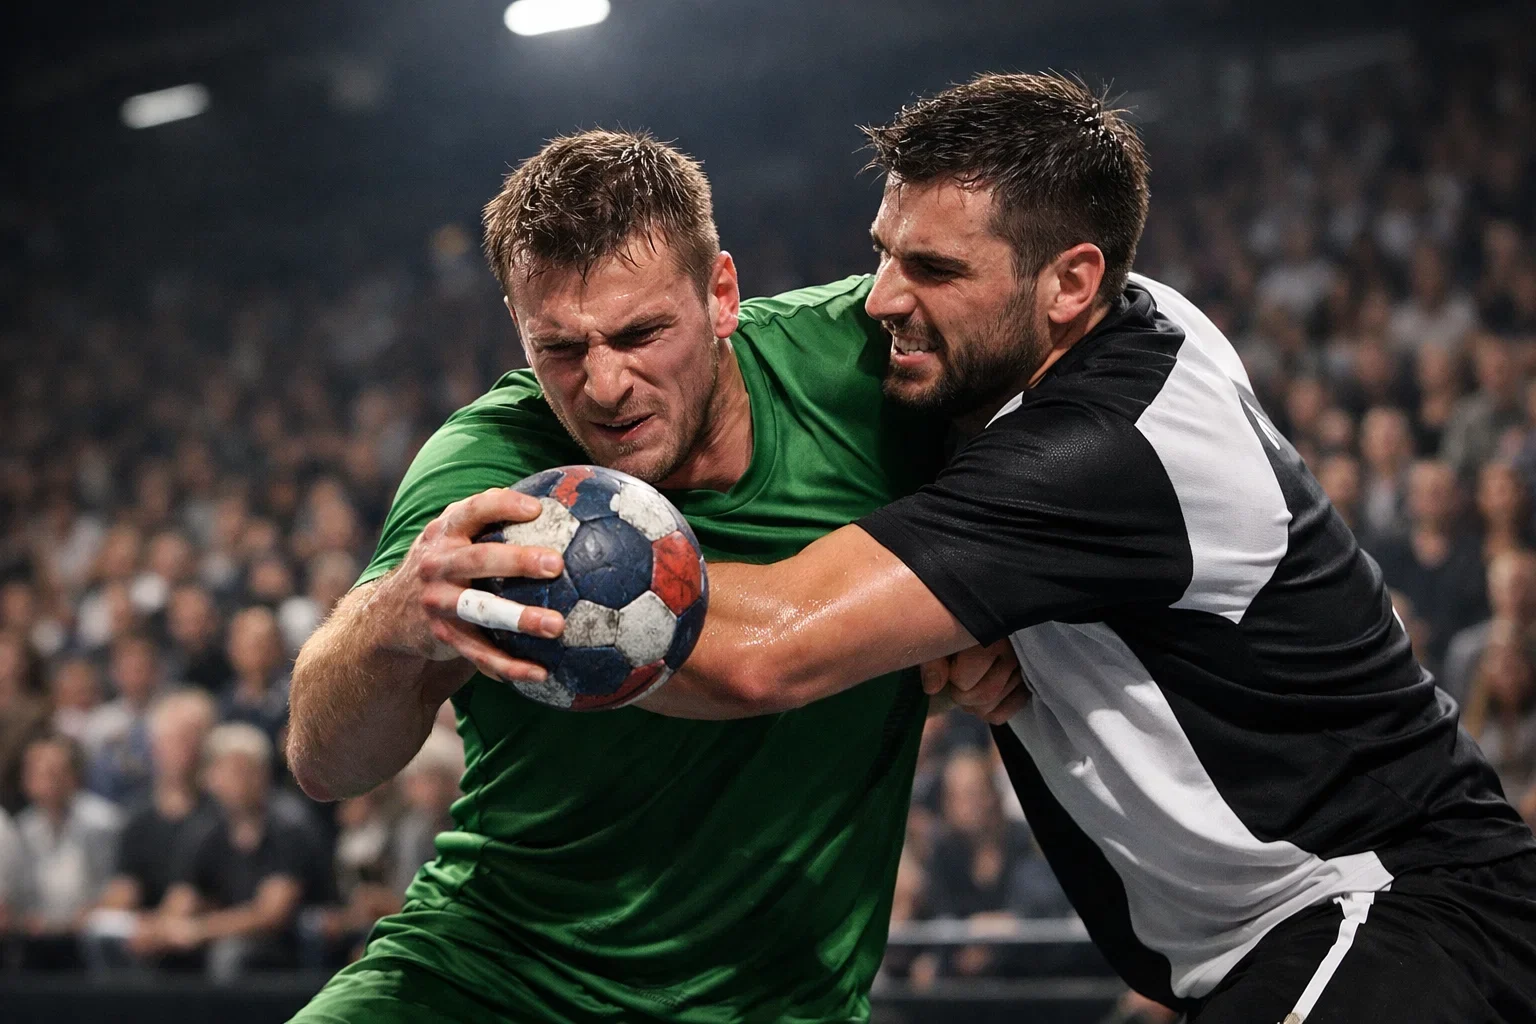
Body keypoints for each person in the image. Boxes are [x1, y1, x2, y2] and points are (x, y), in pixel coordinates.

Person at [474, 75, 1535, 1021]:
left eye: (934, 268)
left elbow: (764, 650)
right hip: (1291, 937)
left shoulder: (1099, 449)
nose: (882, 297)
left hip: (1389, 905)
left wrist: (506, 584)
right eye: (883, 251)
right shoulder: (1137, 321)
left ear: (1071, 282)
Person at [285, 129, 961, 1023]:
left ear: (721, 294)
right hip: (484, 973)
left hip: (768, 1005)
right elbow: (325, 763)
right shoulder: (488, 463)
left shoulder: (870, 365)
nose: (604, 385)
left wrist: (1016, 623)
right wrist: (391, 624)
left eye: (642, 333)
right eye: (560, 348)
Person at [134, 723, 330, 979]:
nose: (230, 781)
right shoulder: (208, 829)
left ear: (262, 774)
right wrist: (162, 929)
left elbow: (271, 914)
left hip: (291, 945)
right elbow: (185, 896)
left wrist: (198, 930)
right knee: (153, 950)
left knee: (230, 954)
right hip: (222, 931)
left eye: (240, 771)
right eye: (224, 771)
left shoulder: (288, 826)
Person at [88, 690, 220, 969]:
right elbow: (125, 886)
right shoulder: (137, 816)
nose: (179, 751)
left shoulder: (219, 814)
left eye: (188, 740)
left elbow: (197, 896)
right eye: (170, 741)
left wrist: (162, 927)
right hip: (147, 928)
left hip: (202, 932)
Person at [15, 734, 123, 968]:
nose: (46, 780)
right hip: (36, 934)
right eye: (38, 772)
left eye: (54, 772)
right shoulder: (22, 829)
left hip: (88, 933)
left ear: (73, 776)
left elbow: (116, 889)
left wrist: (82, 918)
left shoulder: (103, 823)